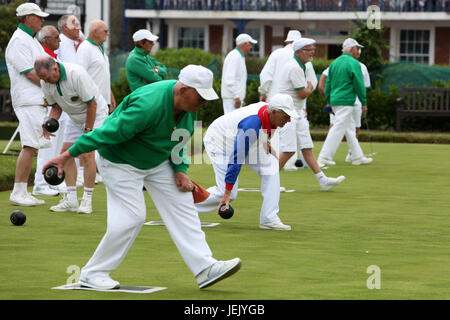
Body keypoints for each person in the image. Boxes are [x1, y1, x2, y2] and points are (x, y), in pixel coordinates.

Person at [42, 65, 241, 290]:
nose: (204, 103)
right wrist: (66, 156)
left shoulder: (189, 106)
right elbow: (106, 133)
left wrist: (180, 170)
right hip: (119, 161)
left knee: (183, 203)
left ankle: (205, 268)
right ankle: (92, 273)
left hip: (157, 161)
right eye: (200, 97)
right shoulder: (148, 105)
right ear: (184, 90)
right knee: (132, 217)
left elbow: (180, 140)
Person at [195, 93, 299, 231]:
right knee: (228, 194)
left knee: (271, 168)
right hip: (220, 142)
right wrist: (227, 193)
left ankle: (269, 218)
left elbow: (266, 127)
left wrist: (266, 139)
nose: (289, 120)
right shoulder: (252, 124)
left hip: (242, 138)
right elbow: (237, 158)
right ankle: (183, 208)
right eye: (286, 117)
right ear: (274, 112)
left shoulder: (269, 111)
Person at [35, 56, 109, 214]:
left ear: (55, 68)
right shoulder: (45, 82)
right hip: (74, 117)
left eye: (48, 78)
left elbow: (92, 103)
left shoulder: (76, 74)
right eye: (43, 79)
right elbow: (56, 107)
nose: (46, 82)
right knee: (65, 155)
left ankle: (87, 201)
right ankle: (71, 200)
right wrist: (49, 121)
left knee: (87, 154)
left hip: (96, 114)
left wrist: (87, 132)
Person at [272, 38, 345, 191]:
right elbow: (303, 93)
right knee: (288, 150)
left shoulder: (300, 66)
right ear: (299, 52)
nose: (312, 52)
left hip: (296, 112)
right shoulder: (294, 67)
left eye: (312, 49)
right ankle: (270, 183)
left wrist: (308, 88)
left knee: (307, 147)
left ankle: (323, 180)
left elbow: (302, 93)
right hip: (286, 113)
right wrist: (311, 85)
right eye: (308, 50)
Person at [6, 3, 50, 206]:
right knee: (29, 145)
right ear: (28, 18)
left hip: (36, 99)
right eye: (38, 17)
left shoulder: (32, 40)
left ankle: (23, 190)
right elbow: (30, 73)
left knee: (33, 145)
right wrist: (51, 85)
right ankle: (18, 191)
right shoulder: (18, 41)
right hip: (27, 99)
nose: (42, 20)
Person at [259, 30, 316, 171]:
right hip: (292, 105)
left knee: (275, 135)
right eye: (309, 49)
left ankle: (271, 164)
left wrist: (263, 93)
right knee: (289, 139)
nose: (312, 52)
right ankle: (281, 168)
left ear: (287, 41)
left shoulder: (277, 53)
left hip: (275, 99)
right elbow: (310, 83)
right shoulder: (301, 62)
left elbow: (265, 76)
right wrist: (304, 104)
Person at [317, 38, 373, 166]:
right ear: (352, 49)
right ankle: (324, 157)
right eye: (357, 49)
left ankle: (357, 156)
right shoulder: (354, 63)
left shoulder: (334, 63)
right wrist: (364, 102)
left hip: (336, 100)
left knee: (349, 128)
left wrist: (328, 100)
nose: (358, 51)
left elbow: (328, 84)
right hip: (346, 100)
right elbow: (359, 85)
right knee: (338, 128)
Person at [31, 25, 62, 197]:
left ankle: (51, 181)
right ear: (47, 39)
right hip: (45, 103)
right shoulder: (42, 57)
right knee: (46, 144)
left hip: (54, 103)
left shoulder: (52, 55)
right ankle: (40, 183)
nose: (60, 40)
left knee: (55, 144)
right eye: (57, 37)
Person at [77, 19, 116, 114]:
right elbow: (80, 76)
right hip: (92, 103)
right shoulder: (85, 48)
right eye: (105, 31)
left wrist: (110, 96)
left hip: (102, 103)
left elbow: (102, 75)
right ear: (95, 32)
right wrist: (89, 101)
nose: (108, 34)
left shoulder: (99, 48)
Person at [221, 33, 257, 114]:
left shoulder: (238, 56)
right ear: (245, 44)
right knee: (231, 125)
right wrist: (236, 97)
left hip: (234, 98)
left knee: (235, 125)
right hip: (232, 99)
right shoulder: (234, 56)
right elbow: (229, 79)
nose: (251, 47)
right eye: (250, 44)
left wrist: (240, 97)